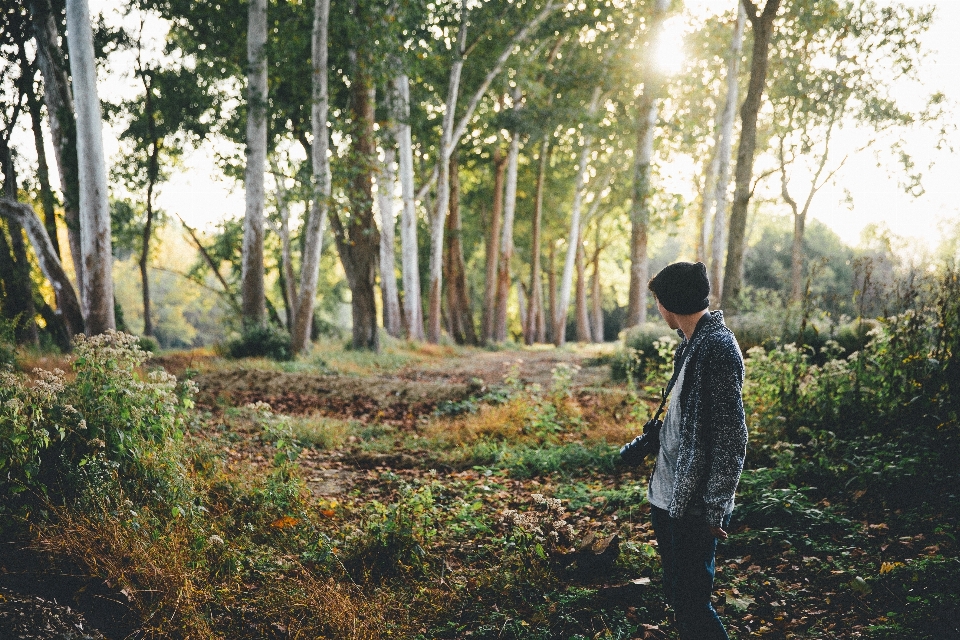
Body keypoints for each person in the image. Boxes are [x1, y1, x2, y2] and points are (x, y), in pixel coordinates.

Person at [640, 261, 747, 640]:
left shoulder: (716, 347)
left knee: (693, 602)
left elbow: (732, 436)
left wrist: (717, 504)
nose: (657, 309)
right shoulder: (691, 343)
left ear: (669, 302)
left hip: (693, 505)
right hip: (668, 496)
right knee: (677, 593)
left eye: (657, 301)